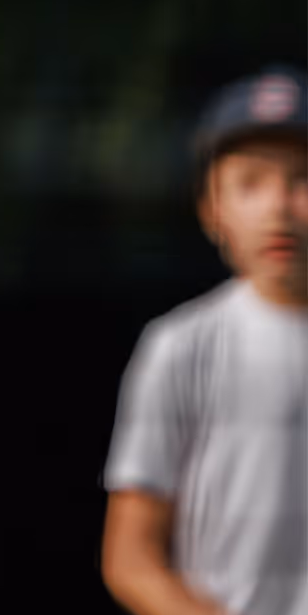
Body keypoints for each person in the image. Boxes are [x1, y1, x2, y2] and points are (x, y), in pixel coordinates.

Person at [101, 66, 308, 615]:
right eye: (250, 183)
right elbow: (130, 554)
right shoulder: (178, 347)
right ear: (212, 210)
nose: (279, 206)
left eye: (302, 179)